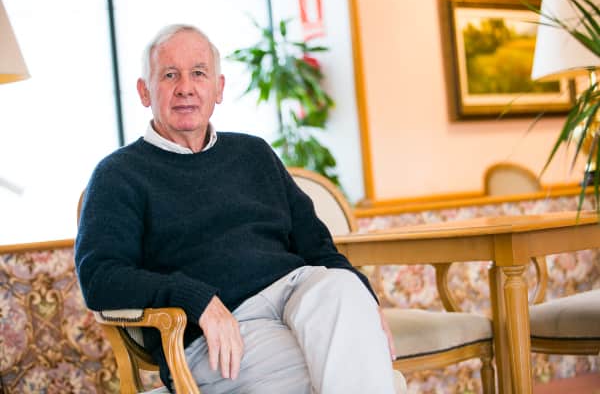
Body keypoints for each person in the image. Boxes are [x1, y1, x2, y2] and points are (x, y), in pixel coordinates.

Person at [75, 24, 404, 394]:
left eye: (199, 73)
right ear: (144, 91)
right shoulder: (119, 174)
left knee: (342, 288)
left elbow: (318, 246)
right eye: (169, 75)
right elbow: (100, 278)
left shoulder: (254, 153)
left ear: (218, 88)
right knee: (354, 370)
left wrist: (363, 303)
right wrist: (195, 299)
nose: (186, 87)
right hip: (219, 330)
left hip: (295, 293)